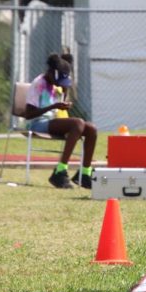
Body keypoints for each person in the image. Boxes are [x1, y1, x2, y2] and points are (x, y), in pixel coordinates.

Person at [24, 53, 98, 190]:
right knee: (78, 123)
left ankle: (85, 173)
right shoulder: (38, 83)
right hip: (38, 123)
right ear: (52, 73)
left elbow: (59, 100)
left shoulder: (56, 84)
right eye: (59, 82)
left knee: (92, 129)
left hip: (54, 121)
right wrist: (54, 106)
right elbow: (28, 114)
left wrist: (63, 99)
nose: (59, 85)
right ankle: (59, 172)